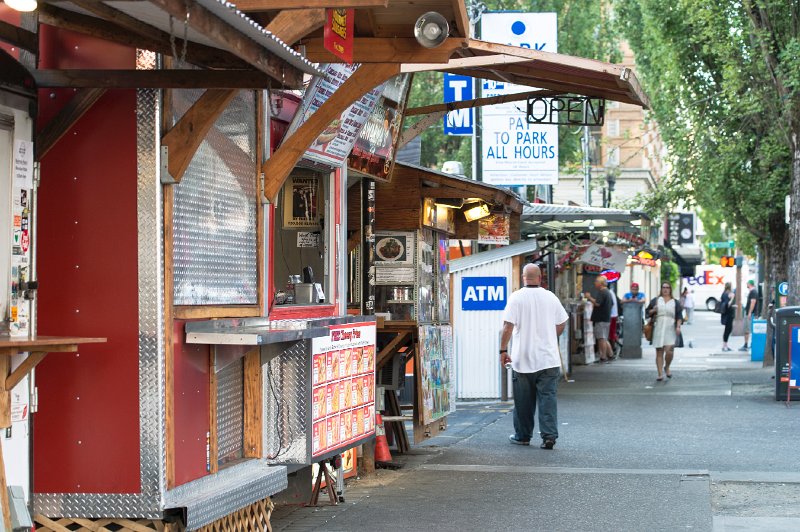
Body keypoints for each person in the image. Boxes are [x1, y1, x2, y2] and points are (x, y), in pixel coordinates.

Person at [500, 264, 568, 449]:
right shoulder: (550, 297)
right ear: (540, 277)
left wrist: (503, 350)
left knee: (523, 401)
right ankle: (549, 436)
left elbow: (508, 326)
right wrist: (550, 338)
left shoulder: (516, 297)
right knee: (548, 399)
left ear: (524, 278)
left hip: (522, 359)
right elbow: (562, 322)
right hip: (548, 359)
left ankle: (523, 435)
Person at [647, 282, 683, 381]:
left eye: (667, 287)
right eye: (664, 287)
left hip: (670, 327)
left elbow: (679, 316)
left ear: (670, 289)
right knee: (659, 351)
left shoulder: (675, 302)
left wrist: (678, 326)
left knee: (669, 350)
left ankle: (667, 366)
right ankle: (659, 374)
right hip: (658, 326)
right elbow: (647, 312)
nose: (665, 289)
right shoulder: (656, 300)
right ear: (661, 289)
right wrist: (653, 310)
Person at [585, 275, 614, 362]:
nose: (595, 283)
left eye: (596, 282)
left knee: (601, 338)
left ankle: (603, 356)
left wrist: (589, 297)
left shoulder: (602, 292)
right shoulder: (608, 292)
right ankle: (610, 354)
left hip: (601, 318)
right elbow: (612, 304)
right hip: (606, 318)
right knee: (604, 337)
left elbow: (598, 303)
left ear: (601, 283)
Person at [740, 280, 758, 351]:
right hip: (751, 313)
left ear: (750, 284)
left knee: (747, 329)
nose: (746, 284)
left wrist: (749, 312)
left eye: (747, 283)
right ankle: (748, 344)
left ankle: (746, 344)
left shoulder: (753, 292)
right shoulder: (754, 291)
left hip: (750, 314)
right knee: (748, 329)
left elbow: (753, 302)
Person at [720, 282, 735, 351]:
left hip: (727, 314)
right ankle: (724, 345)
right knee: (728, 329)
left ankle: (725, 345)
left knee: (728, 329)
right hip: (728, 315)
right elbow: (727, 304)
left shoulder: (724, 294)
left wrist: (733, 306)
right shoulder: (726, 294)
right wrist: (732, 298)